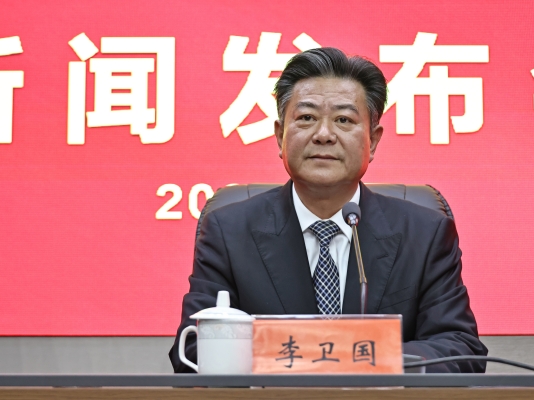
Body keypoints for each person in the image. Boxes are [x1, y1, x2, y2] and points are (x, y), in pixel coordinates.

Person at [169, 47, 487, 373]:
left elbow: (460, 348)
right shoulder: (228, 232)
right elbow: (194, 349)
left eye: (343, 120)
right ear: (279, 136)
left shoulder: (424, 234)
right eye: (306, 118)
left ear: (373, 141)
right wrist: (328, 359)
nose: (323, 135)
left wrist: (353, 362)